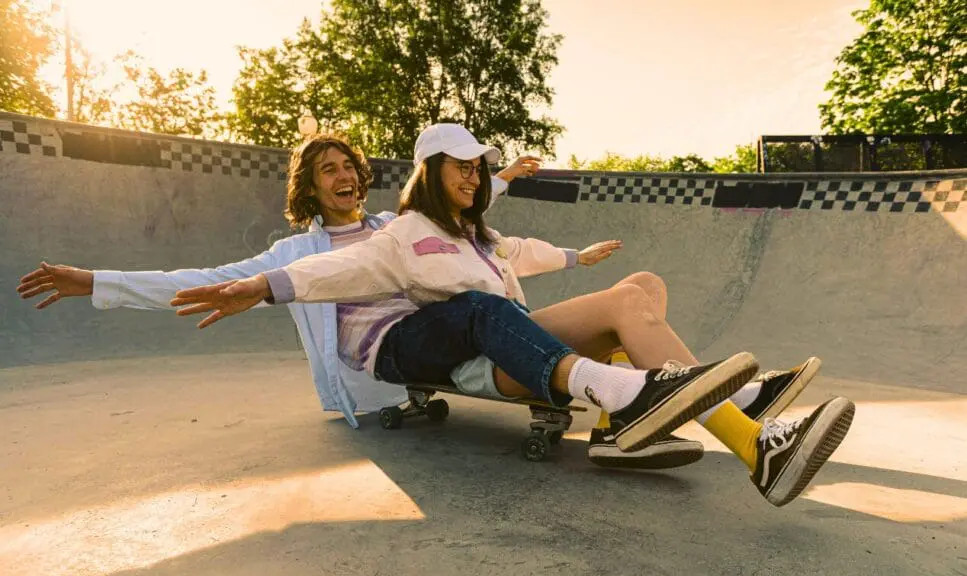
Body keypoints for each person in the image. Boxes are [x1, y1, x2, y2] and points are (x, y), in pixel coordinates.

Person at [170, 123, 855, 507]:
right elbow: (340, 269)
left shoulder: (482, 236)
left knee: (639, 284)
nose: (473, 179)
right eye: (459, 169)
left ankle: (629, 427)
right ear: (430, 173)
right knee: (532, 305)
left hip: (509, 335)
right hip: (474, 347)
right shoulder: (403, 232)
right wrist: (267, 285)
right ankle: (740, 427)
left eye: (479, 171)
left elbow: (525, 249)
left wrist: (575, 254)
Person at [17, 131, 704, 471]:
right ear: (310, 189)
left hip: (460, 325)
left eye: (351, 167)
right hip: (418, 350)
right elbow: (197, 278)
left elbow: (467, 224)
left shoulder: (394, 227)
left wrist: (502, 179)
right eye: (330, 171)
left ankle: (667, 407)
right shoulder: (295, 254)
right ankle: (667, 399)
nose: (346, 177)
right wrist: (96, 282)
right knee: (488, 311)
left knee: (632, 291)